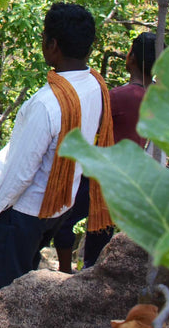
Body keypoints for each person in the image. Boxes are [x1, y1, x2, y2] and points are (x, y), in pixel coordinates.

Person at [0, 3, 114, 312]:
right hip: (59, 203)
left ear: (53, 45)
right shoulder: (95, 85)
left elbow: (20, 173)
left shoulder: (47, 103)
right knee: (25, 277)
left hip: (25, 211)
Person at [50, 31, 158, 273]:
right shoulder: (156, 96)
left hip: (100, 173)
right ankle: (91, 274)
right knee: (100, 230)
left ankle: (66, 273)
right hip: (126, 177)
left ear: (131, 57)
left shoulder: (122, 96)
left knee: (63, 222)